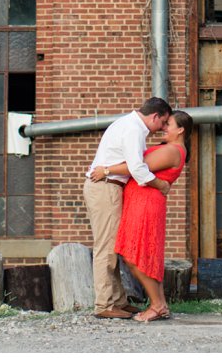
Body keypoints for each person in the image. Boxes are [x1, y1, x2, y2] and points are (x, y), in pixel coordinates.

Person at [91, 109, 193, 322]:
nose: (164, 127)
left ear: (181, 130)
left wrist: (107, 170)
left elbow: (138, 167)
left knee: (135, 255)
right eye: (164, 123)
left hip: (145, 204)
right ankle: (160, 304)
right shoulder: (171, 148)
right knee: (140, 253)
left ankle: (157, 305)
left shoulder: (173, 150)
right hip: (140, 202)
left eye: (169, 124)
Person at [83, 97, 172, 319]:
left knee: (115, 245)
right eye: (163, 123)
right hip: (106, 188)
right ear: (155, 116)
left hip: (108, 186)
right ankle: (104, 304)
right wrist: (160, 184)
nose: (162, 129)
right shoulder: (134, 130)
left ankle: (118, 301)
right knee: (106, 247)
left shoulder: (128, 124)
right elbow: (137, 168)